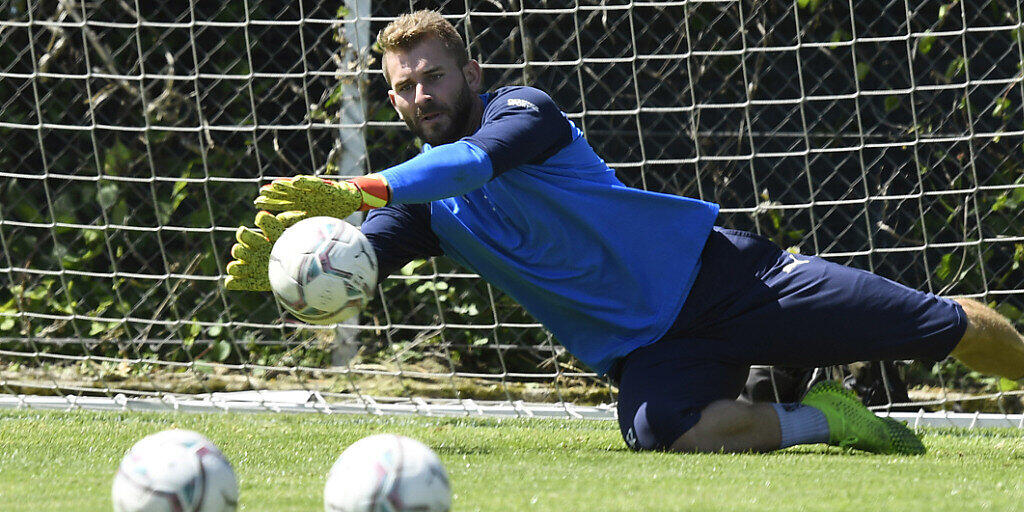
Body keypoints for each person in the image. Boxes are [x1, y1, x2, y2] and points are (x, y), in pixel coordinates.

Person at [225, 10, 1024, 455]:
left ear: (471, 74)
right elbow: (356, 263)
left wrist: (359, 187)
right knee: (659, 436)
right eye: (404, 88)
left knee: (938, 325)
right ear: (392, 100)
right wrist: (300, 266)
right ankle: (821, 414)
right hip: (651, 348)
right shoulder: (417, 206)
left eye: (434, 75)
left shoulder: (524, 115)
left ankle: (787, 368)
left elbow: (472, 164)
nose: (421, 94)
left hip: (726, 279)